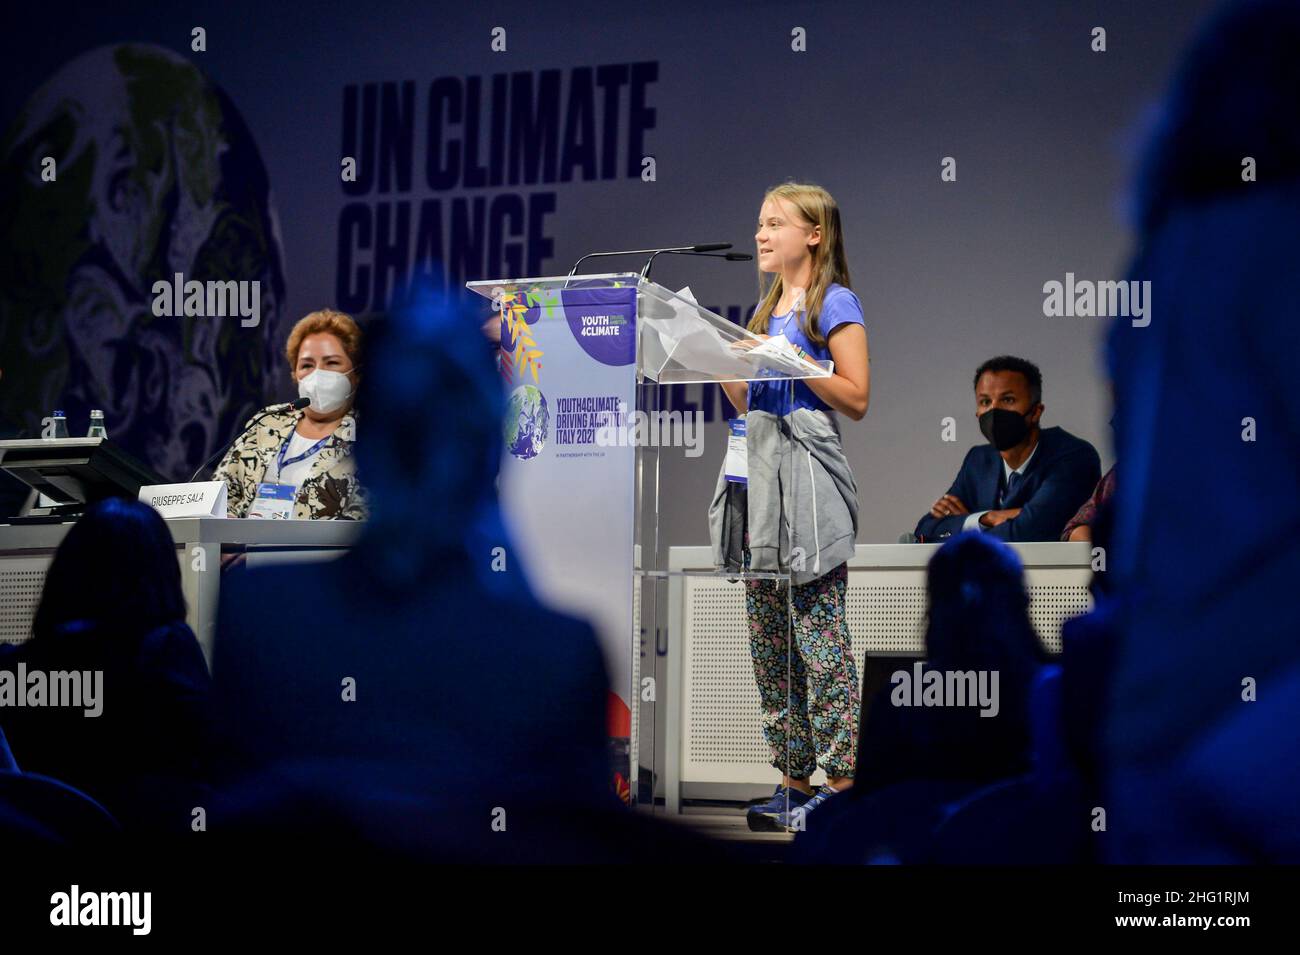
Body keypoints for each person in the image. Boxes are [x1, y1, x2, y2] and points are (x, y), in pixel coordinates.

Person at [709, 181, 870, 831]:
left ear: (814, 234)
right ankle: (792, 778)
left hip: (806, 482)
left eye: (774, 222)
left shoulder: (833, 302)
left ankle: (844, 782)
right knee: (769, 642)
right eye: (758, 222)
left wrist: (793, 360)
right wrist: (720, 361)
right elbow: (751, 404)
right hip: (760, 479)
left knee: (819, 639)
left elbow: (856, 396)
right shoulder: (764, 307)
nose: (760, 234)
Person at [0, 498, 211, 833]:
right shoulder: (164, 652)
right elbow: (203, 759)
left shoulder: (12, 668)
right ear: (160, 572)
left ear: (65, 570)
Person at [915, 356, 1100, 542]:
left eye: (1008, 399)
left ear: (1036, 411)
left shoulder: (1074, 457)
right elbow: (926, 529)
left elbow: (1028, 532)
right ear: (977, 411)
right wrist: (985, 518)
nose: (994, 411)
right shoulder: (978, 459)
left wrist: (963, 526)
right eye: (985, 402)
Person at [214, 309, 367, 520]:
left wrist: (270, 549)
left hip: (308, 552)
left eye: (331, 363)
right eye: (306, 365)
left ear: (356, 373)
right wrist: (228, 534)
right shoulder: (267, 421)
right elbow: (219, 492)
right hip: (239, 548)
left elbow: (364, 516)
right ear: (295, 374)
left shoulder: (371, 434)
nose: (317, 374)